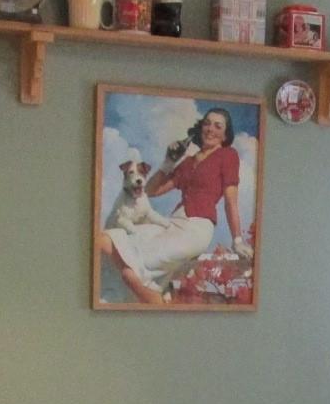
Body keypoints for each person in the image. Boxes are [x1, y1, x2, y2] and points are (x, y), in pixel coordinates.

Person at [99, 107, 253, 304]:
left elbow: (231, 201)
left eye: (218, 126)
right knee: (106, 238)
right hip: (172, 223)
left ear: (225, 134)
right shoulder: (188, 162)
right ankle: (149, 295)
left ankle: (141, 290)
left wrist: (237, 239)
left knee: (133, 269)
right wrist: (168, 162)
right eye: (207, 123)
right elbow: (152, 191)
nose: (210, 129)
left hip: (196, 229)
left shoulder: (227, 155)